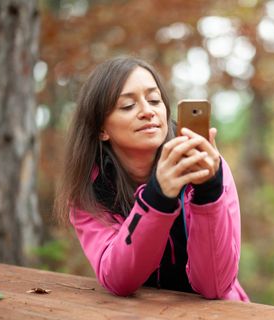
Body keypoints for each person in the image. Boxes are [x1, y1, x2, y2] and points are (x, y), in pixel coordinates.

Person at [55, 56, 249, 301]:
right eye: (127, 106)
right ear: (101, 130)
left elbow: (215, 287)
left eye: (154, 100)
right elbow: (119, 279)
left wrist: (208, 191)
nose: (148, 111)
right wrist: (157, 198)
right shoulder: (91, 191)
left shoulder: (208, 168)